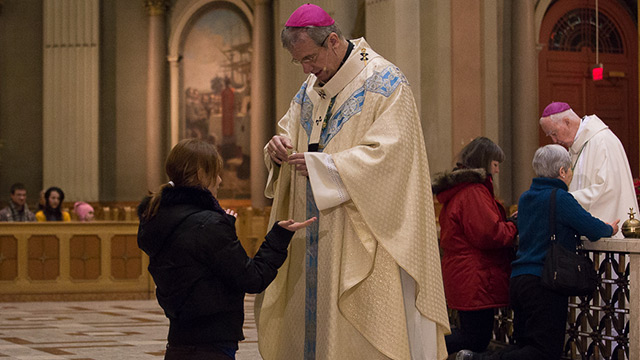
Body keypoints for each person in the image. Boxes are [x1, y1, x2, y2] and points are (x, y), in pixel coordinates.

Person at [259, 4, 449, 359]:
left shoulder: (386, 82)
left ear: (332, 40)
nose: (306, 69)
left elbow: (393, 156)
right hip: (311, 237)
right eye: (298, 62)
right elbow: (290, 130)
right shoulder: (310, 89)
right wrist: (277, 147)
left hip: (359, 234)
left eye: (310, 58)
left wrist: (328, 167)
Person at [136, 138, 315, 360]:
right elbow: (252, 278)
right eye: (216, 173)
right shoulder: (208, 225)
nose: (220, 180)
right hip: (211, 346)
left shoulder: (157, 217)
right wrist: (279, 236)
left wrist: (222, 227)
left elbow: (194, 265)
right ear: (202, 174)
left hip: (178, 343)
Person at [456, 144, 619, 360]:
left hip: (519, 280)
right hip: (545, 281)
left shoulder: (525, 198)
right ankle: (477, 359)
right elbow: (593, 228)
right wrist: (611, 228)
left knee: (524, 344)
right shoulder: (560, 198)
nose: (570, 174)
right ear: (562, 171)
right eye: (569, 169)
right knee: (544, 351)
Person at [432, 137, 517, 355]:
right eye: (495, 164)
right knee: (474, 337)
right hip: (475, 276)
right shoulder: (473, 192)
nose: (497, 171)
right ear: (485, 162)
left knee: (472, 336)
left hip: (467, 273)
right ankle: (421, 351)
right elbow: (488, 234)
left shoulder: (463, 190)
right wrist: (514, 226)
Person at [539, 101, 637, 238]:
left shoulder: (603, 141)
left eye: (554, 133)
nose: (554, 140)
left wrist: (560, 200)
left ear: (567, 122)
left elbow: (606, 189)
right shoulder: (575, 148)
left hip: (609, 229)